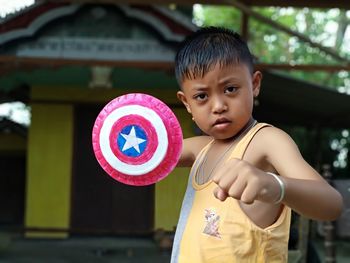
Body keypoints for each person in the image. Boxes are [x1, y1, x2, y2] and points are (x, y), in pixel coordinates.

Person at [170, 26, 343, 263]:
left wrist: (274, 186)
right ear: (187, 103)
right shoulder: (200, 148)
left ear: (255, 84)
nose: (218, 105)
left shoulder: (267, 141)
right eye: (201, 96)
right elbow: (146, 155)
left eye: (230, 89)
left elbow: (331, 203)